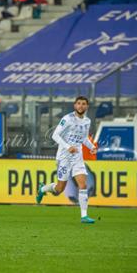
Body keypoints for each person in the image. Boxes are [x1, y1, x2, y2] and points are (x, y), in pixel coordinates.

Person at [36, 96, 97, 224]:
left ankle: (84, 216)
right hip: (64, 157)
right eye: (79, 103)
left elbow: (83, 138)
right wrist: (68, 147)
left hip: (77, 157)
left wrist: (91, 147)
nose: (81, 106)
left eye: (83, 104)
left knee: (83, 184)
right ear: (75, 106)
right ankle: (42, 189)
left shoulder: (87, 121)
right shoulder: (67, 119)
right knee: (59, 189)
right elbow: (55, 135)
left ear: (87, 107)